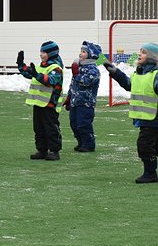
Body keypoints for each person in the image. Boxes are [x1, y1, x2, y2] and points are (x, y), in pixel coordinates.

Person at [103, 43, 158, 183]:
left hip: (153, 119)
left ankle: (150, 174)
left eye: (143, 52)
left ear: (152, 57)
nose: (139, 54)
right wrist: (115, 72)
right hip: (146, 119)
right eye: (140, 51)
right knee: (153, 146)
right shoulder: (139, 73)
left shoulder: (155, 75)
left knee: (145, 146)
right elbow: (128, 85)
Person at [17, 41, 63, 160]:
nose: (41, 54)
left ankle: (54, 151)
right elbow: (30, 73)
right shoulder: (41, 66)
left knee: (51, 127)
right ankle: (41, 150)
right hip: (38, 103)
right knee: (38, 128)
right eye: (41, 52)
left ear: (51, 54)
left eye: (44, 52)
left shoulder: (56, 68)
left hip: (50, 104)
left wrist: (36, 74)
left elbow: (50, 80)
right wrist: (21, 64)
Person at [66, 41, 102, 152]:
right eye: (80, 51)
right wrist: (69, 97)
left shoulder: (93, 70)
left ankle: (88, 144)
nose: (80, 54)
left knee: (84, 124)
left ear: (91, 55)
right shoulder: (79, 67)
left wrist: (77, 75)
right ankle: (81, 142)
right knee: (74, 124)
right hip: (75, 101)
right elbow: (73, 84)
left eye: (84, 52)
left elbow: (86, 82)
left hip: (86, 103)